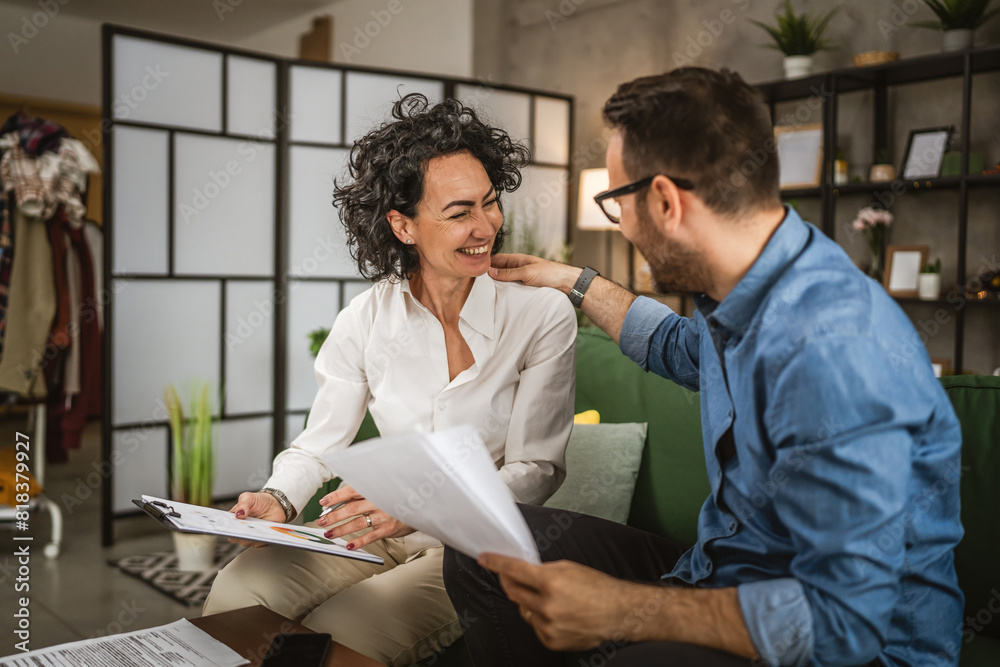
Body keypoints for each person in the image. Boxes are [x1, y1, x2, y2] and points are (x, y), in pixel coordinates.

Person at [443, 68, 964, 666]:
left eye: (617, 204)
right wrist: (573, 280)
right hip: (721, 574)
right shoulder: (747, 287)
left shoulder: (834, 348)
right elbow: (680, 347)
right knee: (481, 547)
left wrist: (619, 609)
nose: (624, 226)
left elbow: (845, 622)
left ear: (665, 200)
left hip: (850, 643)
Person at [203, 93, 578, 666]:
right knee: (237, 591)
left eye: (491, 203)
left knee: (344, 627)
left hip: (470, 547)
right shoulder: (367, 317)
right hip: (375, 526)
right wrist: (280, 498)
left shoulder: (541, 315)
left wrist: (422, 506)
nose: (486, 227)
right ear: (403, 226)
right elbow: (322, 441)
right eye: (459, 213)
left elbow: (536, 473)